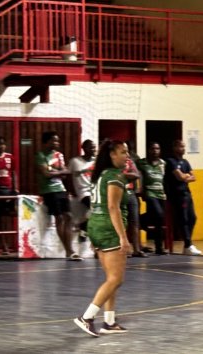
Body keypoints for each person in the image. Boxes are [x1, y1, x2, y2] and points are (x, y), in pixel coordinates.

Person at [73, 139, 132, 336]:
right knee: (116, 279)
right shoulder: (115, 176)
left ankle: (109, 322)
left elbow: (95, 205)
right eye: (123, 152)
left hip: (96, 225)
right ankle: (87, 317)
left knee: (111, 279)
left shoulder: (100, 175)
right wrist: (123, 238)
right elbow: (113, 207)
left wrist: (93, 234)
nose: (127, 156)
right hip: (109, 227)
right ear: (112, 155)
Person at [36, 131, 78, 260]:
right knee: (59, 217)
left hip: (61, 189)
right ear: (46, 142)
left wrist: (54, 171)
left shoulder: (59, 155)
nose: (56, 143)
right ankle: (69, 250)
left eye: (57, 141)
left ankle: (69, 249)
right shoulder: (40, 155)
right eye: (53, 140)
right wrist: (57, 172)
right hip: (49, 190)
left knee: (69, 217)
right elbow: (46, 174)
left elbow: (66, 172)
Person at [165, 140, 200, 255]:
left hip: (187, 193)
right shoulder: (171, 161)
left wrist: (186, 176)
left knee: (193, 218)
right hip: (177, 194)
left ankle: (187, 244)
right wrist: (186, 176)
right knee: (183, 219)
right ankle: (188, 244)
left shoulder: (185, 162)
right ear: (175, 148)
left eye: (184, 146)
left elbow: (193, 177)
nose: (183, 149)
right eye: (180, 146)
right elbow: (179, 177)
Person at [136, 142, 167, 255]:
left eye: (157, 149)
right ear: (148, 150)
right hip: (149, 192)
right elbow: (136, 174)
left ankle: (159, 247)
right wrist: (140, 189)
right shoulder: (142, 163)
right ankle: (139, 222)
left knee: (158, 220)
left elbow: (164, 179)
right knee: (159, 215)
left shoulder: (163, 163)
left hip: (161, 194)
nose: (155, 151)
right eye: (153, 149)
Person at [69, 140, 96, 244]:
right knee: (94, 207)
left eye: (94, 147)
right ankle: (84, 228)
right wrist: (70, 190)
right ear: (84, 148)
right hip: (83, 191)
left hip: (95, 190)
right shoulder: (75, 161)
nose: (93, 149)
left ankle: (83, 227)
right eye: (91, 147)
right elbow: (67, 176)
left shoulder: (96, 161)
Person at [122, 147, 144, 257]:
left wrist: (124, 175)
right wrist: (128, 175)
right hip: (119, 192)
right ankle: (124, 249)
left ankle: (137, 249)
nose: (126, 154)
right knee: (122, 222)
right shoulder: (113, 163)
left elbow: (136, 175)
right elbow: (114, 176)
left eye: (127, 151)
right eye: (123, 151)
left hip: (131, 193)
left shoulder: (130, 162)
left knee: (135, 221)